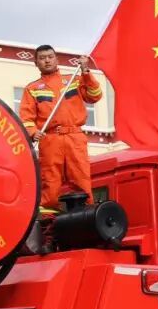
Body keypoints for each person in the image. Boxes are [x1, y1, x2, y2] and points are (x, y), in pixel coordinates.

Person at [19, 45, 103, 211]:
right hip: (49, 139)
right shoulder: (32, 89)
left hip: (75, 137)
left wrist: (86, 71)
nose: (47, 60)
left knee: (81, 177)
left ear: (57, 59)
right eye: (42, 58)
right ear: (36, 63)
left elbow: (95, 96)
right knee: (50, 181)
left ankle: (85, 214)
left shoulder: (74, 80)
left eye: (50, 57)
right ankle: (48, 222)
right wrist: (33, 132)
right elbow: (26, 117)